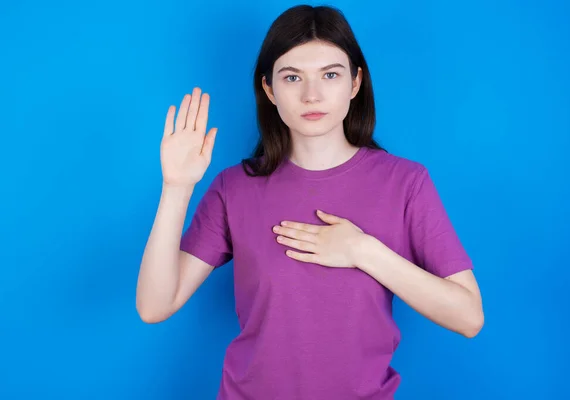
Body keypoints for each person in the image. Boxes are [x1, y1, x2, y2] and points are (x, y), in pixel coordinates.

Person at [136, 4, 484, 399]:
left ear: (355, 83)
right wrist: (176, 187)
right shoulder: (235, 188)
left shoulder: (406, 183)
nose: (311, 94)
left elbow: (468, 316)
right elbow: (154, 305)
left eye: (330, 75)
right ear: (269, 89)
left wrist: (362, 250)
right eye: (292, 76)